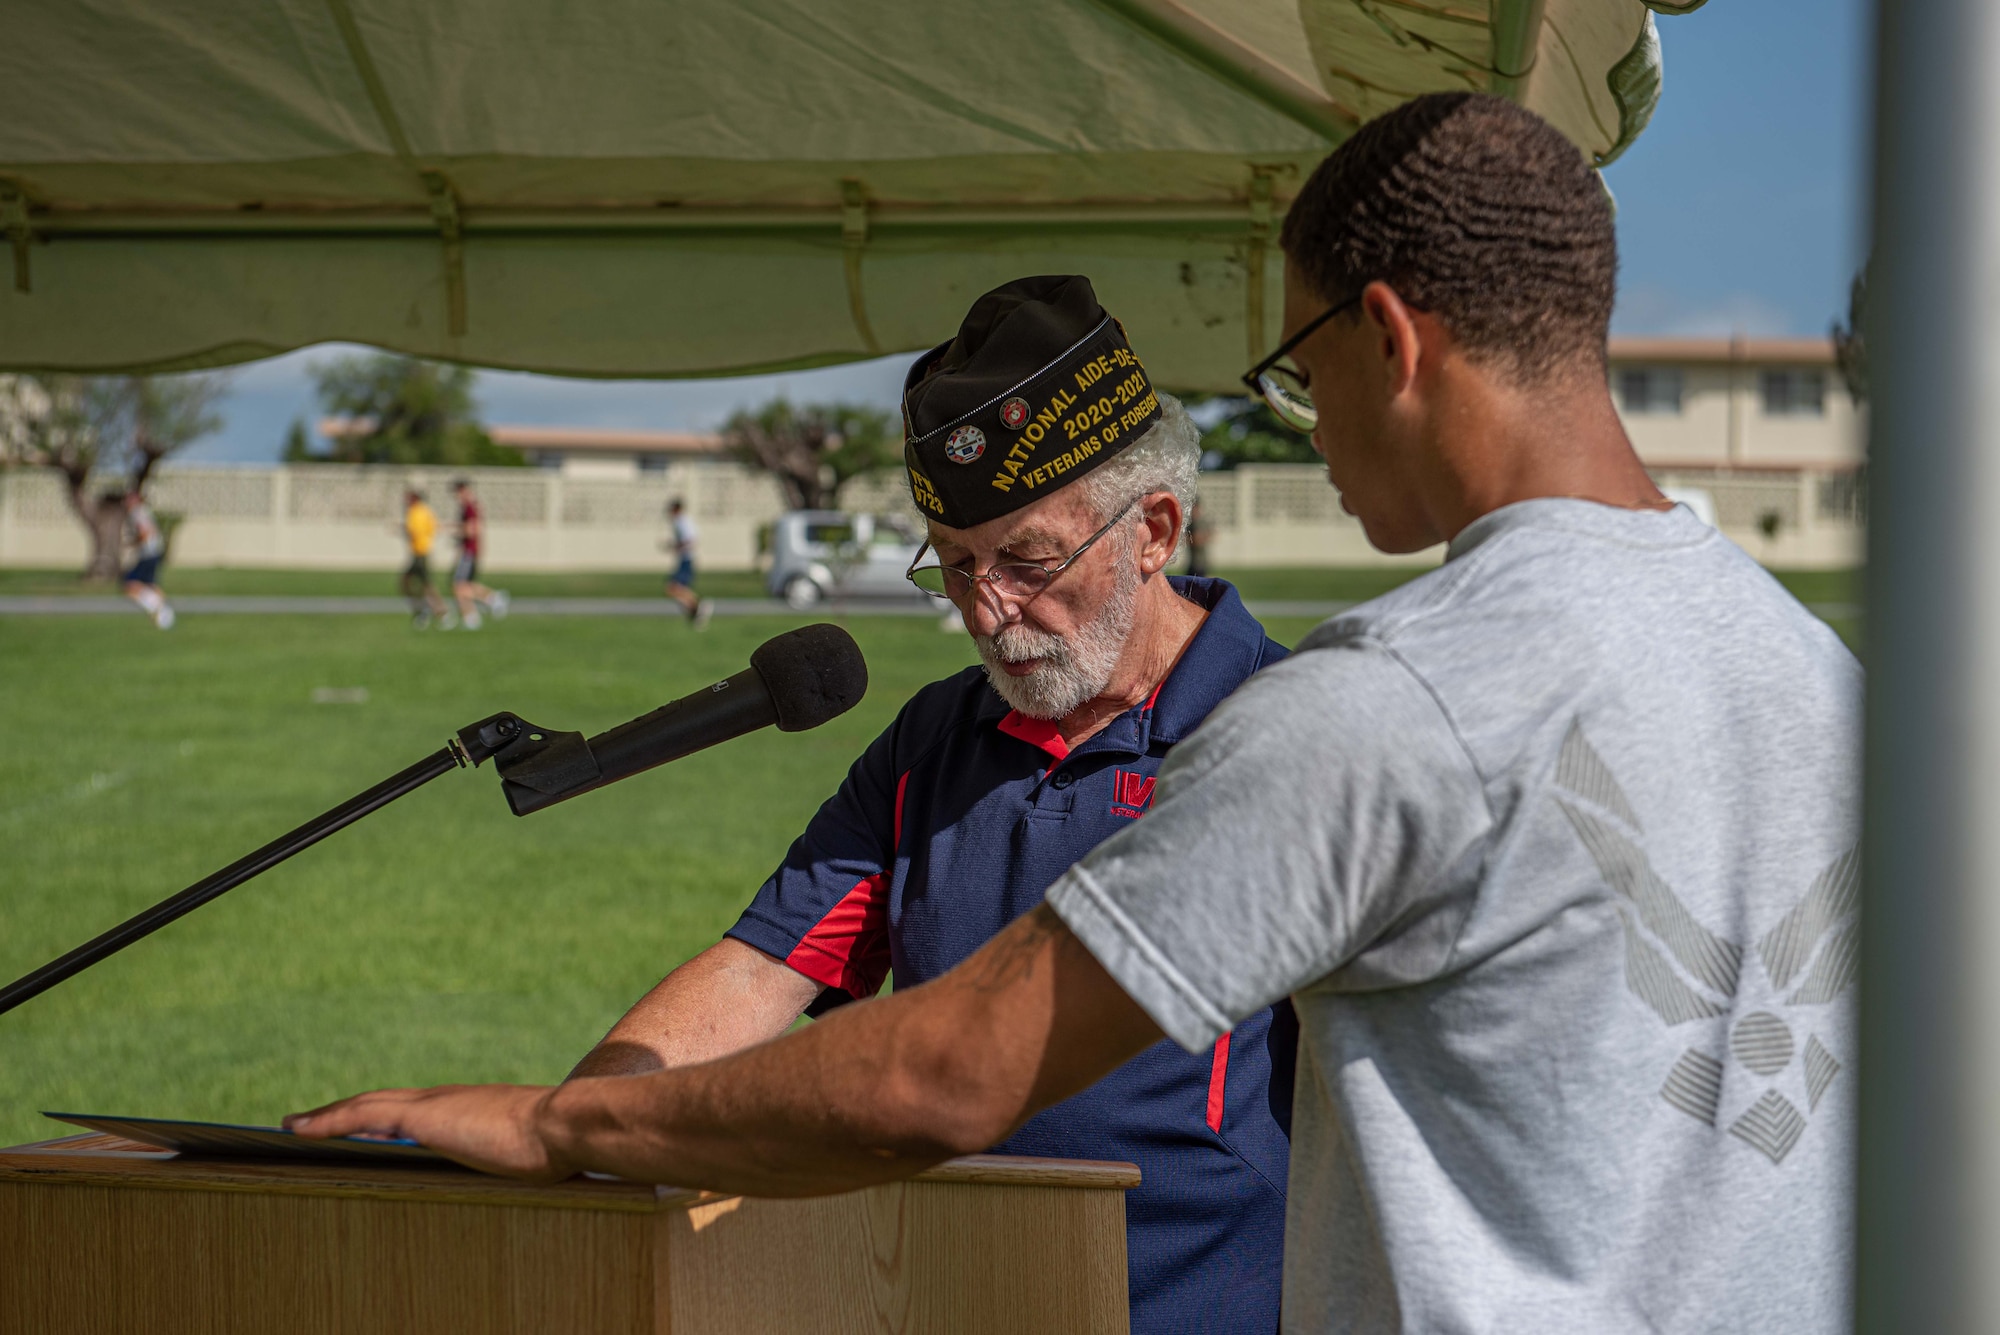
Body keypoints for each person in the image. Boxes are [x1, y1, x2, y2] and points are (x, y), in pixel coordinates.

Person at [293, 96, 1861, 1333]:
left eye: (1302, 361)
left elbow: (946, 1074)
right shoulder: (1833, 683)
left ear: (1386, 336)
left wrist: (564, 1123)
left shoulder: (1381, 703)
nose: (1304, 420)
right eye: (954, 567)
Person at [449, 478, 509, 629]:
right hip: (470, 550)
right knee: (464, 585)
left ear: (462, 490)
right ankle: (474, 615)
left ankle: (490, 601)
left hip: (469, 551)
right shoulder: (472, 505)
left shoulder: (469, 507)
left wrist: (454, 531)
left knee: (459, 586)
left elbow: (472, 530)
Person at [110, 489, 174, 629]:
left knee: (129, 583)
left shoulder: (136, 513)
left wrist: (132, 542)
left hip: (148, 553)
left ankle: (158, 608)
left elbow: (145, 532)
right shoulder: (143, 511)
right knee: (149, 583)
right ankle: (164, 613)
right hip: (154, 552)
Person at [399, 488, 451, 629]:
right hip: (424, 551)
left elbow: (413, 531)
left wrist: (403, 529)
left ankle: (439, 612)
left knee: (423, 584)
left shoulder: (414, 512)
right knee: (416, 583)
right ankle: (427, 610)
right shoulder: (426, 511)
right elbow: (434, 527)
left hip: (419, 553)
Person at [662, 498, 713, 629]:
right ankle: (695, 612)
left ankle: (699, 606)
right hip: (684, 558)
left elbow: (690, 540)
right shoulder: (683, 521)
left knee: (674, 588)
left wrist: (674, 546)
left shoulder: (682, 522)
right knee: (676, 589)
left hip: (686, 558)